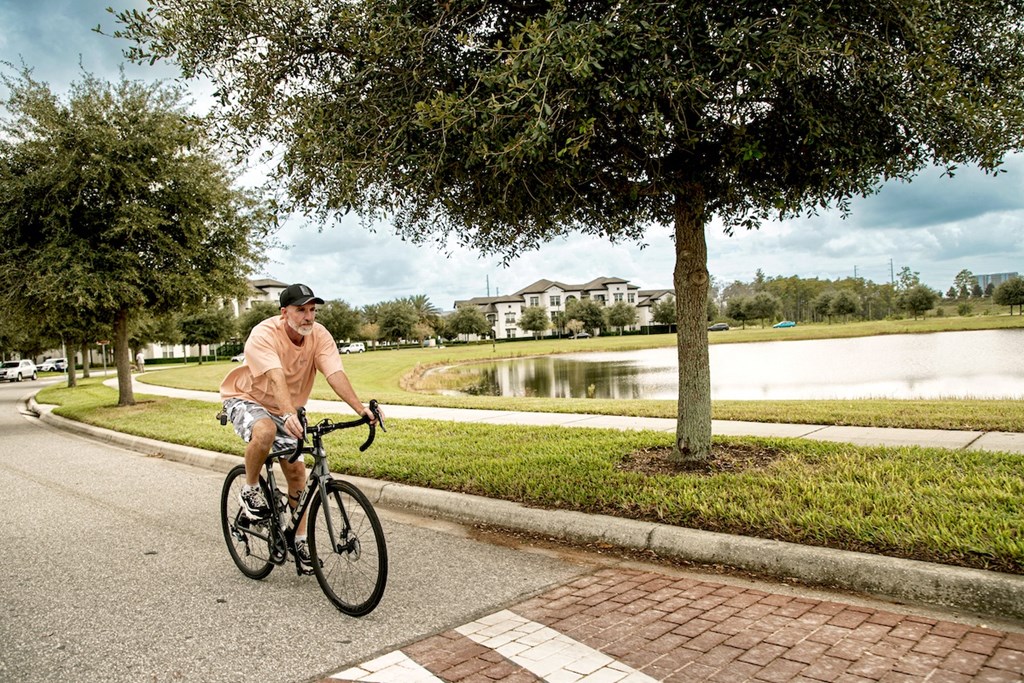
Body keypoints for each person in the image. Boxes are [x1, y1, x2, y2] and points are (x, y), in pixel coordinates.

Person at [219, 283, 379, 574]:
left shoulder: (319, 335)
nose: (308, 316)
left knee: (297, 473)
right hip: (247, 398)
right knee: (265, 431)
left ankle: (301, 542)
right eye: (301, 310)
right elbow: (276, 377)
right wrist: (289, 412)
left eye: (312, 310)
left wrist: (360, 409)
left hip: (288, 406)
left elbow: (335, 373)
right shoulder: (264, 334)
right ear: (284, 313)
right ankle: (251, 488)